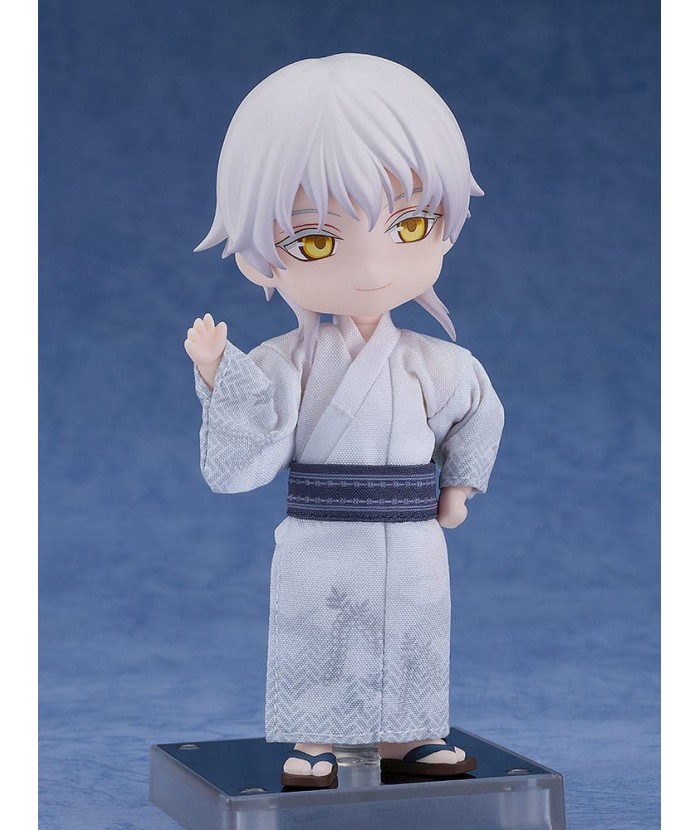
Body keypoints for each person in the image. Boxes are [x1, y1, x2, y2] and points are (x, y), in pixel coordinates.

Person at [185, 53, 504, 788]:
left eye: (411, 223)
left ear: (447, 227)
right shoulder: (285, 360)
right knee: (318, 628)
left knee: (415, 627)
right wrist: (218, 373)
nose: (371, 267)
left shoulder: (435, 362)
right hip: (321, 533)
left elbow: (476, 414)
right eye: (317, 241)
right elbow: (250, 449)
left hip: (412, 532)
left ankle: (410, 734)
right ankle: (317, 738)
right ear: (262, 260)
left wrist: (458, 488)